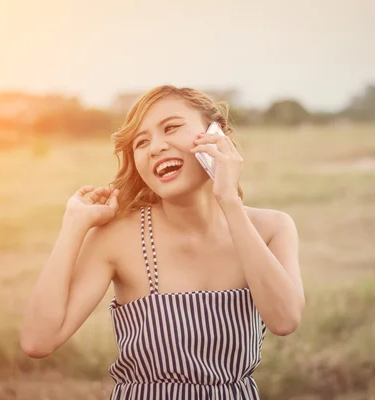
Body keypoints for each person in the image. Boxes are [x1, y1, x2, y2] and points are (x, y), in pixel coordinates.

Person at [20, 85, 305, 399]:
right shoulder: (117, 237)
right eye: (141, 142)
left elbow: (284, 319)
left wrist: (230, 202)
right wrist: (73, 227)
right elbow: (37, 341)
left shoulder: (272, 227)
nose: (155, 147)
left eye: (171, 127)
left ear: (216, 134)